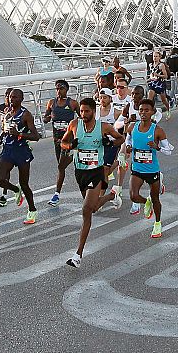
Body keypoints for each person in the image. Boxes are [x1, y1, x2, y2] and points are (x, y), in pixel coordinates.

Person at [62, 98, 124, 268]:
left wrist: (109, 142)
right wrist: (69, 146)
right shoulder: (75, 124)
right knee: (93, 208)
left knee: (86, 210)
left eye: (87, 111)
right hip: (80, 172)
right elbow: (63, 142)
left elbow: (121, 138)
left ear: (93, 112)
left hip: (96, 171)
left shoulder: (103, 127)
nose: (83, 114)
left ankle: (78, 255)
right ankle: (112, 195)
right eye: (81, 111)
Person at [126, 99, 173, 237]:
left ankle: (157, 224)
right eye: (141, 110)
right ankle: (146, 202)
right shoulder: (132, 127)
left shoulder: (157, 130)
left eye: (147, 110)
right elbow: (127, 140)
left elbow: (169, 150)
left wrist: (157, 147)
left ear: (153, 112)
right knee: (133, 196)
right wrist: (128, 147)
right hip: (137, 169)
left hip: (152, 170)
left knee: (156, 198)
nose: (143, 113)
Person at [0, 89, 41, 224]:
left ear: (21, 99)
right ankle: (15, 189)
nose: (11, 99)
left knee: (25, 184)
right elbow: (6, 129)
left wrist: (19, 134)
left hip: (21, 152)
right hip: (8, 150)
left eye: (14, 97)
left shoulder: (26, 115)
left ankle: (32, 210)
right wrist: (2, 136)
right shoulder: (7, 112)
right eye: (9, 97)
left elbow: (36, 136)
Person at [44, 80, 80, 207]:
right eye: (57, 88)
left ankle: (56, 195)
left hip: (68, 140)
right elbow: (45, 117)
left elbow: (83, 119)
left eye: (62, 88)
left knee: (61, 166)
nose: (59, 91)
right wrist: (47, 118)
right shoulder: (51, 103)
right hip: (56, 140)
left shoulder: (73, 103)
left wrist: (75, 131)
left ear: (67, 89)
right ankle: (75, 156)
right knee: (61, 165)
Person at [148, 51, 171, 119]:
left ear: (159, 57)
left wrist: (157, 75)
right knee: (150, 99)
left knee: (163, 100)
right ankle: (152, 113)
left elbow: (166, 76)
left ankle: (168, 110)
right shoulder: (151, 65)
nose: (155, 58)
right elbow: (152, 74)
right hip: (153, 83)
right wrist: (149, 79)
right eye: (154, 56)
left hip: (160, 84)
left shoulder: (161, 65)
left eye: (156, 56)